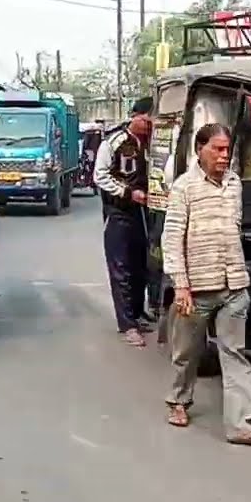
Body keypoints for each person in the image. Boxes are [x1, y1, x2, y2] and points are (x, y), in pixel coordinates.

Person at [161, 123, 251, 446]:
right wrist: (181, 286)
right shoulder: (184, 188)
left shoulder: (234, 185)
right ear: (200, 149)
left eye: (228, 150)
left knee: (235, 354)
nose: (224, 156)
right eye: (218, 149)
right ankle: (178, 400)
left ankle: (240, 425)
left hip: (234, 287)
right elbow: (171, 239)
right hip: (195, 289)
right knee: (187, 353)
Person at [94, 97, 153, 346]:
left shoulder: (153, 144)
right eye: (147, 118)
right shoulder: (114, 142)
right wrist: (128, 193)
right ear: (136, 116)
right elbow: (100, 176)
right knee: (122, 268)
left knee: (142, 265)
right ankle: (127, 324)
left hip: (145, 213)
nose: (151, 123)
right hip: (119, 212)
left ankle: (138, 313)